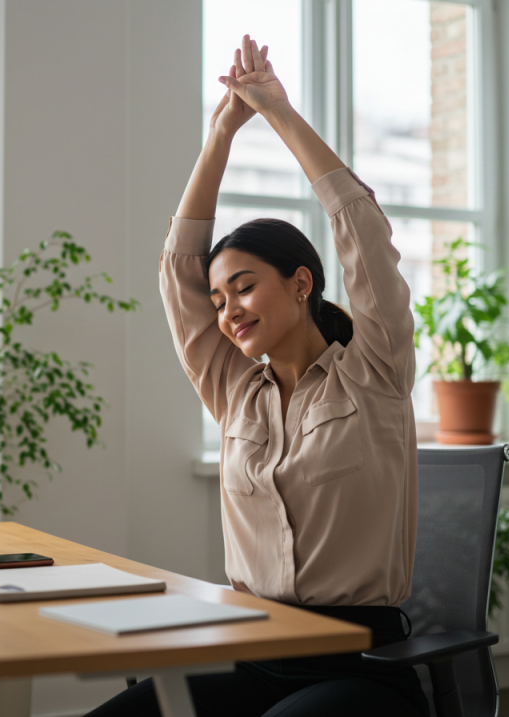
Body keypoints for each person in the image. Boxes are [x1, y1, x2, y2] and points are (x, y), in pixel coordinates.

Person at [86, 34, 425, 717]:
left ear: (301, 283)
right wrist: (219, 137)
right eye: (219, 300)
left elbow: (361, 230)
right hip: (251, 654)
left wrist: (277, 115)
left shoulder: (375, 370)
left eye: (243, 287)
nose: (227, 311)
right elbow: (177, 276)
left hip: (360, 666)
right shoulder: (236, 391)